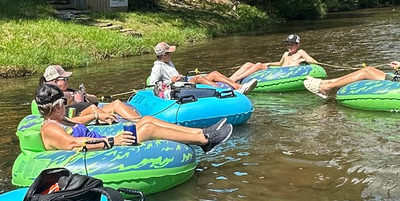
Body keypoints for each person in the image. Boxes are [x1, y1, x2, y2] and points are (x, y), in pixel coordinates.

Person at [34, 83, 233, 153]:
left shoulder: (58, 120)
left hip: (104, 141)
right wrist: (113, 140)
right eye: (64, 103)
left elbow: (76, 123)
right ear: (56, 106)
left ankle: (202, 133)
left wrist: (97, 115)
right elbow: (74, 144)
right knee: (148, 129)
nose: (66, 105)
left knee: (145, 121)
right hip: (102, 149)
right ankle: (204, 141)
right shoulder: (50, 129)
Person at [40, 64, 141, 122]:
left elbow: (95, 101)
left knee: (117, 103)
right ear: (54, 81)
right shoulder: (50, 95)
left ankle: (138, 121)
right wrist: (71, 100)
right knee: (92, 108)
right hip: (78, 116)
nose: (67, 80)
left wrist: (85, 95)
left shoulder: (71, 91)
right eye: (64, 78)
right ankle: (113, 122)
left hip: (89, 110)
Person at [149, 42, 251, 95]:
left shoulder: (168, 61)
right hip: (176, 87)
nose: (171, 54)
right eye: (169, 53)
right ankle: (223, 91)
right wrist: (170, 81)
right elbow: (152, 83)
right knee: (199, 78)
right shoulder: (157, 67)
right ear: (164, 55)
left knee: (214, 73)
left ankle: (237, 86)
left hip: (183, 81)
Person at [230, 34, 320, 82]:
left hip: (285, 74)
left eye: (292, 44)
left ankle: (236, 79)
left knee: (258, 65)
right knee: (248, 64)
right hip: (277, 72)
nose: (289, 46)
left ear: (298, 44)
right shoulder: (286, 54)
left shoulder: (300, 52)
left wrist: (304, 61)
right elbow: (280, 64)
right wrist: (269, 63)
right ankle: (230, 79)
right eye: (288, 44)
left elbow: (315, 62)